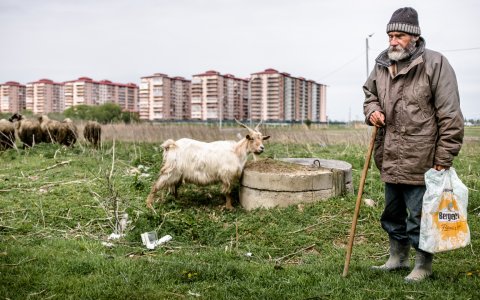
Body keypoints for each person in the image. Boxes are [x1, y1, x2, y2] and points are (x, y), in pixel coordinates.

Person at [363, 7, 464, 282]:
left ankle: (423, 265)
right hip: (389, 154)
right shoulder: (383, 64)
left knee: (420, 216)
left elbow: (451, 115)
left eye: (399, 36)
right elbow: (369, 93)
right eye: (390, 36)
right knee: (392, 213)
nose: (392, 41)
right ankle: (397, 257)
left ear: (415, 37)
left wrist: (444, 156)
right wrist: (372, 110)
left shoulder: (435, 64)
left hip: (423, 159)